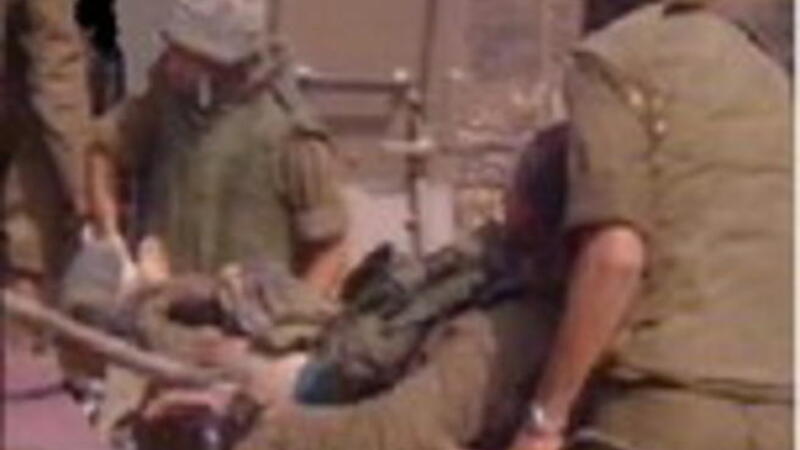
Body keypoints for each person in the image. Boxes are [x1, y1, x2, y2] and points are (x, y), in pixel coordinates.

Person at [508, 1, 792, 450]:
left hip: (667, 404)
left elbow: (616, 256)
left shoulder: (617, 58)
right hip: (779, 406)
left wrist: (545, 418)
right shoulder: (770, 75)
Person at [91, 0, 349, 299]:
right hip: (161, 302)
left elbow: (331, 249)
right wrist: (111, 241)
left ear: (221, 65)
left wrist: (293, 314)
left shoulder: (290, 135)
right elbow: (103, 148)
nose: (170, 63)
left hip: (248, 315)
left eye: (185, 57)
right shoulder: (165, 102)